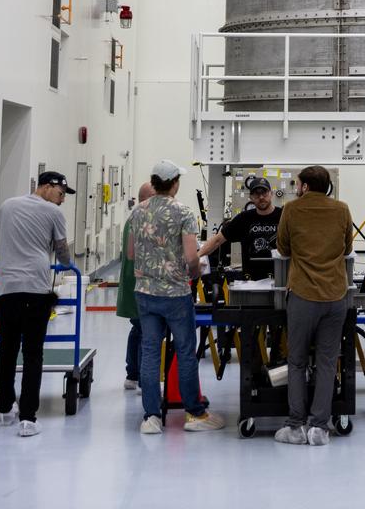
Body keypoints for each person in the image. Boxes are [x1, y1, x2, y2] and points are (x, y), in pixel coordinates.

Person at [128, 160, 224, 434]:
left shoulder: (138, 212)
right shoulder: (183, 212)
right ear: (174, 183)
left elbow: (132, 253)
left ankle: (151, 417)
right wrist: (193, 273)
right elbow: (192, 257)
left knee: (149, 352)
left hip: (145, 293)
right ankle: (194, 413)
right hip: (176, 294)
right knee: (184, 352)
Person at [0, 171, 74, 436]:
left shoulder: (8, 205)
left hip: (7, 289)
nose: (62, 200)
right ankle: (28, 418)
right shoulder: (54, 214)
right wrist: (67, 265)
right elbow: (63, 252)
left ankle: (3, 409)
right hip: (36, 288)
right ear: (47, 186)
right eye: (61, 193)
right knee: (33, 352)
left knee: (8, 348)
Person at [274, 165, 353, 447]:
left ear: (305, 186)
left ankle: (295, 426)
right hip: (335, 297)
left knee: (296, 362)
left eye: (297, 184)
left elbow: (283, 248)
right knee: (327, 363)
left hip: (303, 296)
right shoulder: (342, 210)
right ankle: (319, 427)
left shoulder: (291, 210)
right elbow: (346, 248)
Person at [197, 175, 282, 278]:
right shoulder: (244, 219)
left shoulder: (283, 216)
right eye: (256, 194)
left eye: (264, 192)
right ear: (250, 197)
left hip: (280, 279)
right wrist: (197, 256)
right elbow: (217, 240)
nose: (261, 197)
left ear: (271, 194)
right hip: (251, 282)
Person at [116, 182, 154, 389]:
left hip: (134, 283)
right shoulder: (141, 219)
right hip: (141, 284)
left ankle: (132, 375)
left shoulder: (133, 217)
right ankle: (141, 379)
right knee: (147, 332)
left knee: (138, 329)